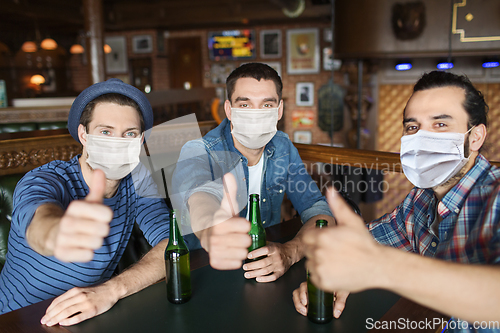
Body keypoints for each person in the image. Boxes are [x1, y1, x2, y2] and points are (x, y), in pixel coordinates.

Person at [292, 71, 500, 332]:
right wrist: (326, 276)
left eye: (440, 125)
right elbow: (367, 245)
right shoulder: (420, 199)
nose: (423, 139)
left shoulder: (495, 198)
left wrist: (382, 267)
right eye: (413, 127)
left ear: (476, 136)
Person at [0, 79, 171, 326]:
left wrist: (112, 290)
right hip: (18, 321)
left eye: (129, 134)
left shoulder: (138, 181)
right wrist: (57, 234)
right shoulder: (46, 178)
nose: (117, 142)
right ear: (84, 135)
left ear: (141, 140)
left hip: (88, 318)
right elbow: (39, 218)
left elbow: (172, 243)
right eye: (105, 132)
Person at [173, 63, 333, 282]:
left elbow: (319, 212)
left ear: (279, 110)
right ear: (229, 110)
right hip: (205, 270)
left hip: (266, 269)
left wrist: (290, 252)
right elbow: (198, 196)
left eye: (267, 105)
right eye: (245, 105)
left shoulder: (283, 148)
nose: (256, 114)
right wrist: (211, 230)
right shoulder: (198, 150)